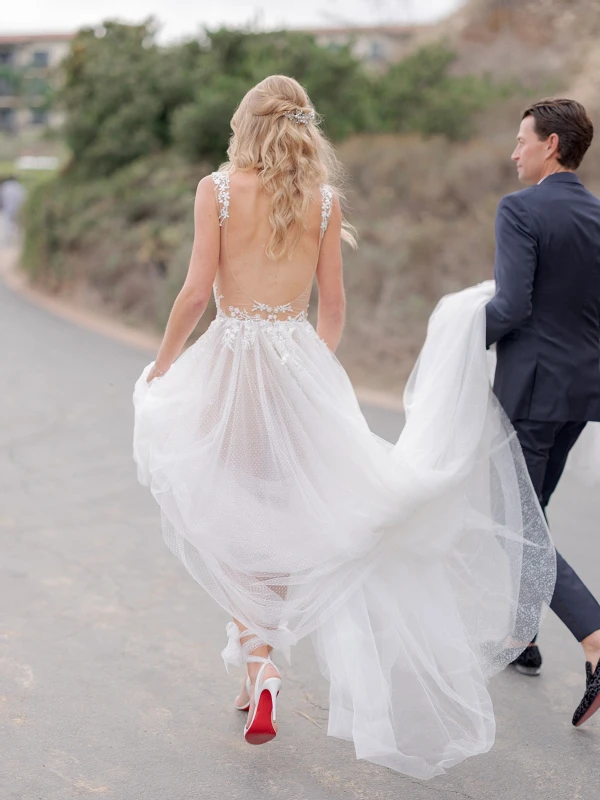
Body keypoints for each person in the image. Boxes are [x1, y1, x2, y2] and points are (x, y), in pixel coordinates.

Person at [133, 75, 555, 779]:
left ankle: (259, 664)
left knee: (230, 513)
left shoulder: (219, 188)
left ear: (246, 123)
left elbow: (195, 291)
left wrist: (164, 364)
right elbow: (333, 308)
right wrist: (308, 368)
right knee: (280, 514)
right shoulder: (323, 202)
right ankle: (256, 666)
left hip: (233, 364)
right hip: (296, 365)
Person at [486, 98, 600, 725]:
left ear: (551, 145)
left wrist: (456, 338)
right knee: (532, 512)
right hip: (583, 393)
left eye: (522, 140)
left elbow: (511, 308)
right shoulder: (597, 214)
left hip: (532, 391)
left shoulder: (521, 209)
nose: (515, 152)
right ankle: (520, 638)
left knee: (516, 523)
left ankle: (594, 637)